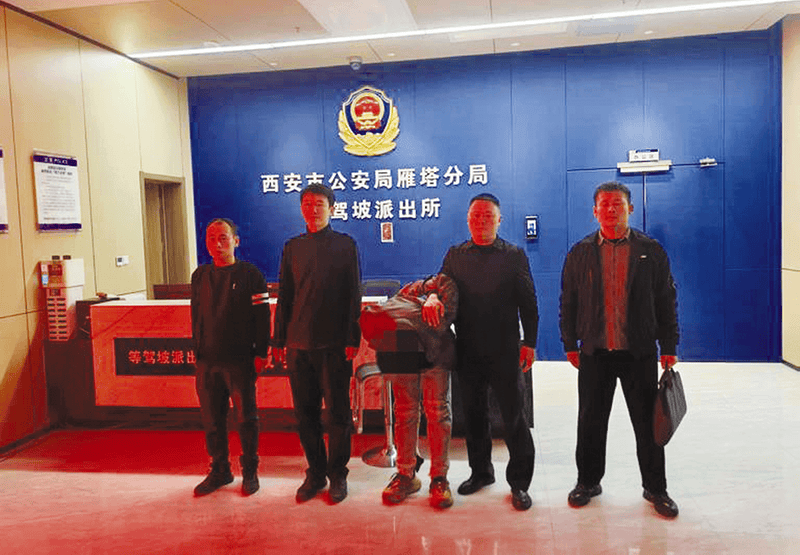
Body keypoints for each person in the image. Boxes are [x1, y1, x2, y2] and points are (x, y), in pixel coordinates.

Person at [559, 181, 680, 518]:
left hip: (638, 353)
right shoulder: (580, 252)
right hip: (595, 352)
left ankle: (655, 487)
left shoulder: (650, 251)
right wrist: (569, 342)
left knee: (647, 424)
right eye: (604, 204)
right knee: (590, 421)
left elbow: (666, 299)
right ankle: (587, 482)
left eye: (618, 204)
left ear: (630, 209)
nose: (611, 210)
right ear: (595, 211)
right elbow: (568, 300)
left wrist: (669, 344)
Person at [425, 192, 539, 511]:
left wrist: (530, 342)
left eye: (488, 215)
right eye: (475, 215)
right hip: (468, 349)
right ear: (468, 219)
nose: (481, 221)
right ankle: (481, 473)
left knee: (514, 417)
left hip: (506, 349)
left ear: (499, 220)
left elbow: (529, 303)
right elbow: (440, 287)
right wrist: (432, 297)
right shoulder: (455, 255)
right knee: (474, 417)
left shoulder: (514, 255)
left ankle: (519, 483)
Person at [272, 184, 361, 504]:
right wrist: (278, 339)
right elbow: (285, 295)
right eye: (307, 204)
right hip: (298, 343)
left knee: (338, 414)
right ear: (301, 209)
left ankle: (338, 474)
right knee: (305, 414)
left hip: (334, 344)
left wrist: (352, 337)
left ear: (332, 209)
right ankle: (316, 473)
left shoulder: (345, 244)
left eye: (319, 204)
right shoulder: (293, 247)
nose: (313, 209)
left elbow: (353, 294)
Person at [360, 274, 458, 509]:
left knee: (437, 411)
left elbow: (446, 283)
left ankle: (439, 478)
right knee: (404, 411)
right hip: (403, 349)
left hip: (436, 353)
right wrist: (427, 288)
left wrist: (433, 294)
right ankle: (406, 475)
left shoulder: (437, 317)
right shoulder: (393, 315)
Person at [191, 218, 270, 497]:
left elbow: (262, 317)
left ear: (236, 241)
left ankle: (250, 472)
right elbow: (196, 316)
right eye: (211, 238)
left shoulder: (250, 274)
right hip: (207, 361)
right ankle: (220, 470)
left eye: (223, 238)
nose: (217, 244)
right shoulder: (200, 276)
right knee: (212, 419)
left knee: (246, 418)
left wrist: (261, 352)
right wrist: (198, 352)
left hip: (240, 361)